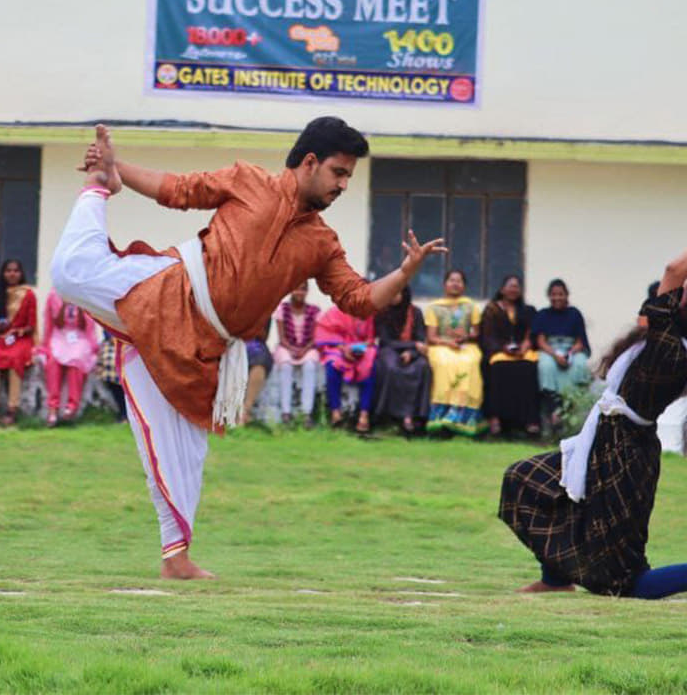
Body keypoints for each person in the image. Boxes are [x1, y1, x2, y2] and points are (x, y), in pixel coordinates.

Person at [50, 120, 444, 578]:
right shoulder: (248, 181)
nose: (342, 185)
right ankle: (98, 188)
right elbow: (176, 189)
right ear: (310, 163)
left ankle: (176, 559)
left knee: (184, 453)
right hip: (166, 291)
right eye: (338, 172)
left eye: (348, 177)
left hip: (202, 349)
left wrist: (405, 272)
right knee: (71, 271)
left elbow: (359, 300)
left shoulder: (321, 243)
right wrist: (114, 168)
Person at [499, 198, 687, 600]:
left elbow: (674, 270)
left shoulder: (669, 348)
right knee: (527, 483)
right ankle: (556, 578)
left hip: (623, 455)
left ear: (686, 307)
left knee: (625, 582)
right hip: (611, 440)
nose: (676, 290)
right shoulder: (685, 339)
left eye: (682, 293)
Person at [424, 270, 484, 436]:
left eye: (459, 281)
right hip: (441, 345)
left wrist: (466, 336)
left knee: (470, 362)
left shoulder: (471, 306)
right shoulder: (434, 307)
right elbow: (431, 337)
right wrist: (447, 342)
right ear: (444, 284)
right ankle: (441, 415)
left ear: (464, 286)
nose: (455, 284)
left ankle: (463, 417)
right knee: (444, 363)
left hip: (465, 345)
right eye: (452, 280)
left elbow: (476, 332)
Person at [480, 275, 541, 436]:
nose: (513, 289)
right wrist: (503, 348)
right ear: (502, 289)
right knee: (497, 368)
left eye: (516, 287)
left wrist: (526, 345)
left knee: (529, 368)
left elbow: (533, 333)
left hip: (523, 352)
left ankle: (529, 421)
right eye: (510, 286)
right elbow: (487, 336)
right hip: (499, 352)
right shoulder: (492, 309)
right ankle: (496, 419)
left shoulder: (528, 310)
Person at [532, 278, 592, 426]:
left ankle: (571, 406)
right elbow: (540, 341)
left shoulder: (574, 313)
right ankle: (554, 409)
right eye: (553, 294)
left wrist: (570, 353)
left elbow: (580, 341)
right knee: (546, 365)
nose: (557, 298)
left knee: (579, 363)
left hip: (571, 349)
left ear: (567, 295)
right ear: (549, 296)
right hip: (550, 350)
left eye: (560, 294)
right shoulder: (542, 314)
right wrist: (555, 355)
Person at [0, 259, 36, 426]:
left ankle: (12, 408)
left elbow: (31, 325)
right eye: (8, 271)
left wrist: (17, 331)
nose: (12, 274)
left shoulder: (28, 294)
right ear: (3, 273)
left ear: (21, 274)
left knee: (14, 358)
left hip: (20, 338)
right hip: (0, 338)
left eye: (16, 271)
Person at [371, 285, 430, 432]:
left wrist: (412, 352)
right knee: (392, 367)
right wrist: (412, 345)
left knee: (422, 367)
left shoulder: (415, 312)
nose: (393, 296)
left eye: (396, 292)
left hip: (412, 352)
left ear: (404, 294)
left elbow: (421, 339)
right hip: (389, 350)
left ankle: (412, 416)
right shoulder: (382, 312)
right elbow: (386, 340)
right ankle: (389, 415)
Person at [41, 291, 98, 426]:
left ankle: (72, 405)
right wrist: (64, 305)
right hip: (61, 335)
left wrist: (78, 305)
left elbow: (84, 325)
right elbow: (57, 323)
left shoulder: (85, 293)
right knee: (53, 362)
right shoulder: (54, 295)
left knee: (76, 360)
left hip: (79, 336)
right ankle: (53, 408)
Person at [317, 307, 376, 432]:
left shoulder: (368, 313)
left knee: (370, 365)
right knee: (333, 366)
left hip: (361, 350)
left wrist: (360, 347)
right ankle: (335, 413)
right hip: (339, 348)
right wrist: (344, 348)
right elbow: (326, 333)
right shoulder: (335, 312)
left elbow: (370, 339)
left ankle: (364, 415)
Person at [272, 282, 321, 424]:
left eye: (303, 290)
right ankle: (286, 412)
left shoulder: (314, 311)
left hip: (308, 347)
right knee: (286, 365)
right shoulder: (282, 309)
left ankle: (307, 413)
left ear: (307, 292)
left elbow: (315, 337)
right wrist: (292, 349)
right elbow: (281, 338)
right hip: (286, 347)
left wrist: (304, 350)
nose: (299, 293)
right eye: (296, 289)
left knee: (310, 365)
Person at [241, 319, 274, 424]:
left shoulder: (264, 307)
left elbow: (263, 334)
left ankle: (245, 411)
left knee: (260, 362)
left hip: (255, 343)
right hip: (229, 343)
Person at [95, 335, 127, 422]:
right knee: (117, 394)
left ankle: (124, 415)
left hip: (122, 374)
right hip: (110, 375)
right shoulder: (106, 345)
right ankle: (123, 414)